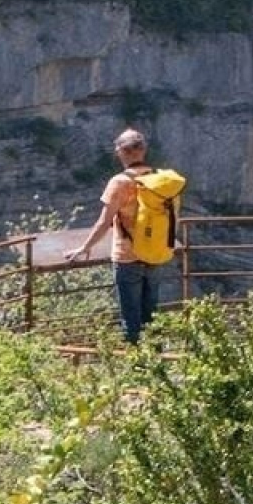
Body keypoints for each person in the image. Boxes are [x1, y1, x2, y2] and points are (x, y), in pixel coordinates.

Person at [64, 128, 163, 345]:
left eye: (118, 149)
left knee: (131, 317)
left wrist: (85, 247)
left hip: (127, 256)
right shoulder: (158, 178)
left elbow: (104, 221)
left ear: (122, 152)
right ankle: (157, 364)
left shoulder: (120, 182)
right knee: (152, 316)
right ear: (143, 151)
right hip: (155, 252)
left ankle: (136, 368)